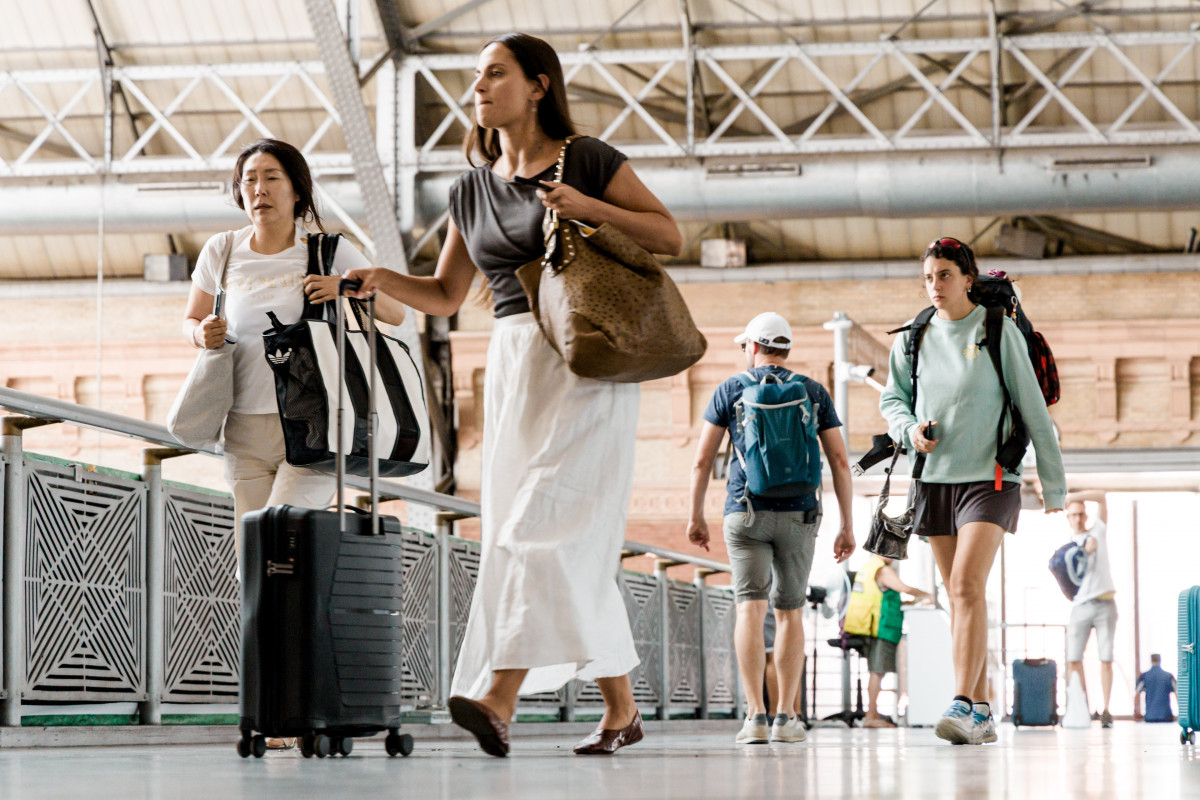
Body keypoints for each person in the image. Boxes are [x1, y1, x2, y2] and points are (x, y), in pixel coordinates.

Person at [339, 32, 682, 758]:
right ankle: (622, 711)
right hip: (514, 361)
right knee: (545, 535)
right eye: (475, 77)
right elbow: (445, 293)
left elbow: (668, 234)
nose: (478, 87)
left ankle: (499, 695)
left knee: (541, 523)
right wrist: (381, 279)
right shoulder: (471, 187)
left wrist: (588, 206)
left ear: (538, 85)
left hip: (587, 353)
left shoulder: (585, 158)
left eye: (495, 74)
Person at [183, 138, 407, 748]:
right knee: (257, 569)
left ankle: (304, 700)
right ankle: (276, 710)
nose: (259, 188)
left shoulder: (329, 249)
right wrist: (202, 332)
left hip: (315, 431)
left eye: (272, 176)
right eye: (249, 178)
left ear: (298, 189)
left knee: (284, 543)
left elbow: (398, 315)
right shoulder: (222, 251)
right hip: (244, 427)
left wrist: (347, 289)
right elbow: (192, 319)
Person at [879, 237, 1066, 746]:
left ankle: (962, 704)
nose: (934, 286)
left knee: (964, 586)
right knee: (962, 598)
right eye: (927, 277)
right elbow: (893, 400)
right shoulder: (911, 338)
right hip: (934, 479)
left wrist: (1053, 486)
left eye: (944, 275)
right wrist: (909, 430)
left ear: (967, 278)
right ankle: (981, 710)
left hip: (990, 477)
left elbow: (1033, 407)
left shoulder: (996, 330)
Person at [687, 312, 855, 745]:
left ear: (753, 347)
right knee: (789, 612)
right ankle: (787, 718)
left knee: (749, 608)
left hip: (744, 512)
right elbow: (839, 461)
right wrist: (846, 525)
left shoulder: (731, 389)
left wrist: (695, 516)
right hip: (800, 514)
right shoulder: (813, 392)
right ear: (786, 348)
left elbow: (703, 459)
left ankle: (755, 718)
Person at [842, 555, 933, 727]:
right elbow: (903, 587)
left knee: (876, 671)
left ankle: (873, 714)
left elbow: (884, 594)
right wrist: (928, 595)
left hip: (870, 624)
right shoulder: (882, 569)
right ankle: (871, 716)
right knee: (878, 671)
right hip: (881, 626)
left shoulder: (869, 566)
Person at [1064, 491, 1118, 727]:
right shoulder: (1067, 549)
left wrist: (1074, 494)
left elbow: (1102, 497)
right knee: (1073, 657)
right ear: (1068, 518)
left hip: (1105, 602)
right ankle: (1079, 706)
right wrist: (1083, 553)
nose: (1077, 518)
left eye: (1081, 513)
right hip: (1080, 605)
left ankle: (1106, 709)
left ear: (1086, 515)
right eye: (1073, 514)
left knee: (1106, 657)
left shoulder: (1097, 532)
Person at [1135, 654, 1176, 723]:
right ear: (1160, 661)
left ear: (1151, 661)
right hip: (1166, 716)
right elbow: (1177, 693)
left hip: (1150, 717)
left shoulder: (1144, 676)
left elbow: (1137, 694)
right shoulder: (1168, 676)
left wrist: (1136, 711)